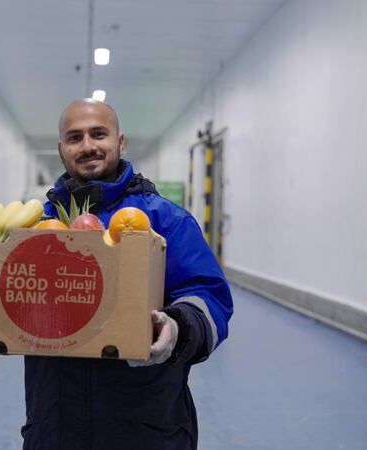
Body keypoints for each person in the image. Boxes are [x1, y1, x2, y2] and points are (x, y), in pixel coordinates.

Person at [21, 98, 233, 449]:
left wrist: (177, 327)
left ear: (120, 142)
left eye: (98, 134)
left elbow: (208, 295)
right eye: (75, 138)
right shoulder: (39, 226)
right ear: (62, 150)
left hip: (146, 424)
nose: (87, 146)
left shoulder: (166, 220)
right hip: (55, 424)